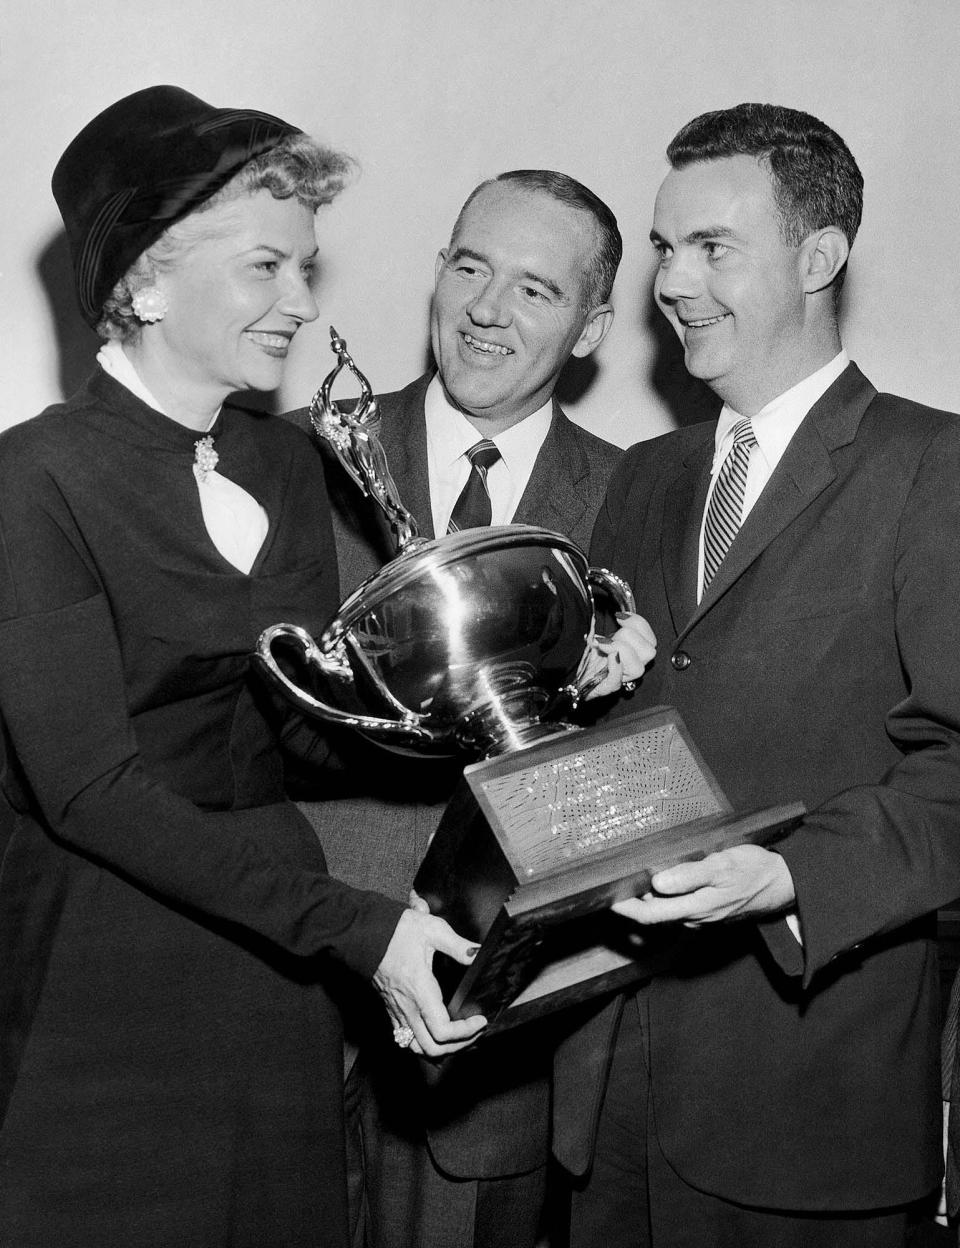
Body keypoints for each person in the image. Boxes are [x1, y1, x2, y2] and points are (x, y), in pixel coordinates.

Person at [0, 85, 485, 1248]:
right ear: (147, 282)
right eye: (267, 267)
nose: (303, 305)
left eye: (306, 268)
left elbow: (306, 729)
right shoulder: (34, 483)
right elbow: (89, 793)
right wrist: (361, 931)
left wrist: (483, 703)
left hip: (276, 963)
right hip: (106, 965)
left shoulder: (285, 462)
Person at [553, 102, 960, 1247]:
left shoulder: (933, 467)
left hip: (807, 1109)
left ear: (820, 258)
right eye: (664, 246)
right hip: (608, 1095)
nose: (672, 281)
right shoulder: (642, 476)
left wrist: (786, 880)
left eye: (712, 247)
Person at [288, 169, 630, 1247]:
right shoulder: (295, 453)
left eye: (536, 289)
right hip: (285, 999)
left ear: (593, 325)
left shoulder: (638, 498)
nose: (487, 310)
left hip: (487, 1047)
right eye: (471, 268)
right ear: (437, 273)